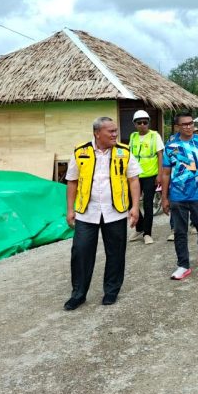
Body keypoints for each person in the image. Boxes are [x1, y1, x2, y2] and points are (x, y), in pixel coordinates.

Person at [64, 117, 141, 310]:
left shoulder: (124, 152)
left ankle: (111, 291)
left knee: (115, 252)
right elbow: (72, 181)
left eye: (116, 131)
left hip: (115, 211)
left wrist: (135, 207)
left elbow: (133, 180)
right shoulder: (80, 152)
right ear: (97, 133)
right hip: (86, 213)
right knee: (81, 252)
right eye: (111, 131)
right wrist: (70, 209)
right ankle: (78, 294)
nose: (115, 134)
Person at [161, 112, 198, 280]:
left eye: (191, 123)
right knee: (180, 231)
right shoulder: (171, 147)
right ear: (177, 127)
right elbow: (165, 173)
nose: (189, 127)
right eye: (184, 124)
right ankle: (183, 264)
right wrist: (165, 198)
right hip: (178, 196)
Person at [128, 110, 164, 245]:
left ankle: (147, 233)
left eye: (145, 122)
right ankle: (139, 227)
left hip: (150, 174)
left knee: (148, 204)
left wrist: (159, 174)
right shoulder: (133, 137)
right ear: (135, 124)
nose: (142, 125)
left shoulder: (155, 136)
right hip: (134, 176)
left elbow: (160, 155)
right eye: (139, 122)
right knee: (131, 202)